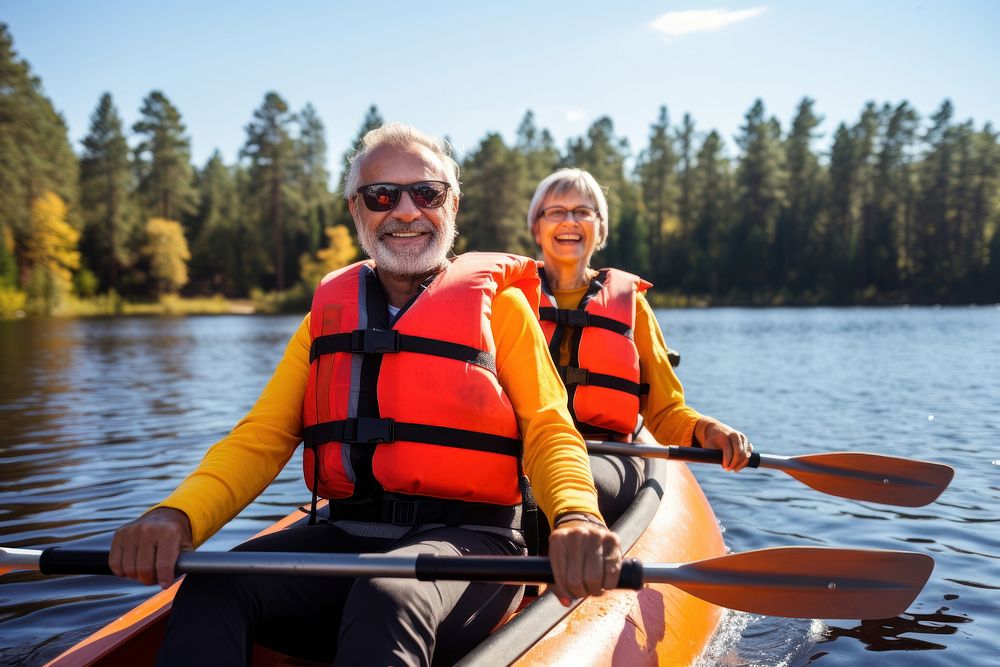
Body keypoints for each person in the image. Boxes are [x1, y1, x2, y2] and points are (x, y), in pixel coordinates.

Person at [109, 125, 621, 667]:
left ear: (452, 206)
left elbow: (548, 429)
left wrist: (576, 516)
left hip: (473, 545)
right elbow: (260, 438)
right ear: (357, 210)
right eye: (382, 195)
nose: (405, 211)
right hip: (347, 532)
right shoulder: (324, 321)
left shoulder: (504, 312)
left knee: (387, 593)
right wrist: (178, 515)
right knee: (215, 586)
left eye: (427, 193)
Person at [527, 168, 752, 522]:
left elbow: (664, 412)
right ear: (536, 229)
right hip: (528, 451)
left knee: (561, 483)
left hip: (607, 454)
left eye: (583, 212)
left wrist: (707, 429)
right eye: (555, 212)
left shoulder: (632, 306)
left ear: (600, 229)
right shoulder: (511, 297)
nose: (569, 221)